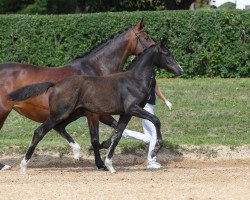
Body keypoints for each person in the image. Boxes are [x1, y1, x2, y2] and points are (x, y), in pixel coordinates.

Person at [122, 71, 172, 169]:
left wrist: (165, 100)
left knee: (148, 138)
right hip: (145, 107)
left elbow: (156, 89)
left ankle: (124, 132)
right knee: (155, 134)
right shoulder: (141, 73)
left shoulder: (152, 73)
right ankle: (151, 162)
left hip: (150, 107)